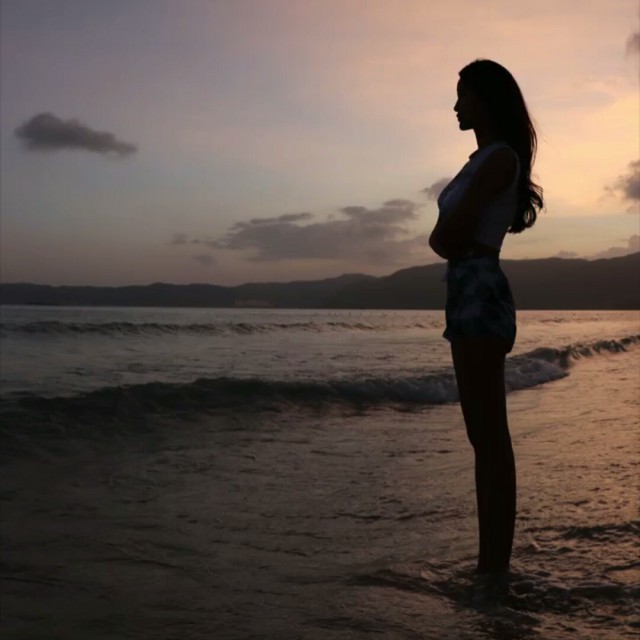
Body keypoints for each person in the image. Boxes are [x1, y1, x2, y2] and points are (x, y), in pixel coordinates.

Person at [428, 59, 544, 586]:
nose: (456, 106)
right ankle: (489, 564)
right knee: (482, 435)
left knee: (490, 436)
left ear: (484, 99)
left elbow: (451, 232)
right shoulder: (481, 159)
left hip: (478, 288)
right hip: (467, 289)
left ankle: (494, 568)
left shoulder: (499, 158)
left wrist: (442, 237)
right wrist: (445, 237)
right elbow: (450, 232)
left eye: (462, 95)